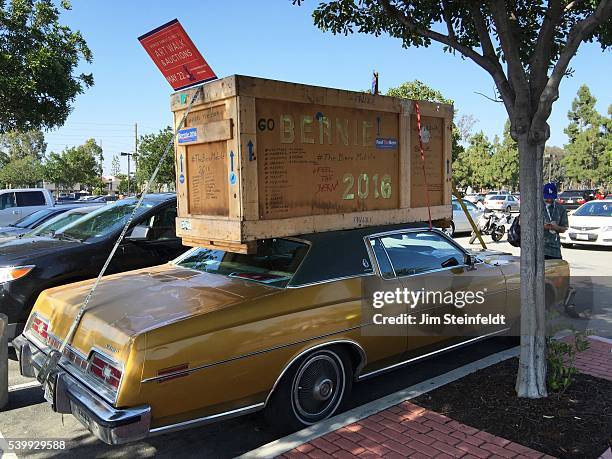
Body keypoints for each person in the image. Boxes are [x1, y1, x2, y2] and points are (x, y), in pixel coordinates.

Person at [543, 183, 568, 260]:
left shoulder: (560, 208)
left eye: (551, 198)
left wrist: (556, 227)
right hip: (540, 249)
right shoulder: (537, 207)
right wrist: (543, 226)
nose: (549, 200)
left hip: (554, 250)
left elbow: (564, 228)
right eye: (547, 197)